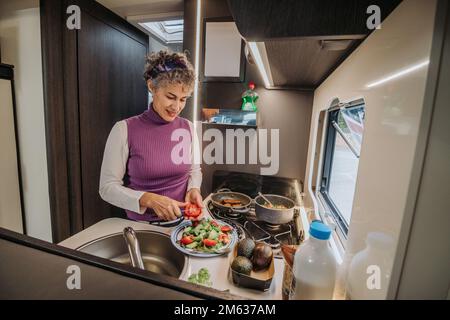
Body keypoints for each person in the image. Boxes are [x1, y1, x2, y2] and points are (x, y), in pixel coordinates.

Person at [99, 50, 202, 222]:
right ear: (152, 87)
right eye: (171, 96)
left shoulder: (188, 128)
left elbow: (194, 170)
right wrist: (148, 199)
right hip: (143, 225)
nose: (176, 107)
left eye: (183, 99)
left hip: (183, 223)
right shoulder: (124, 129)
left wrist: (194, 189)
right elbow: (107, 188)